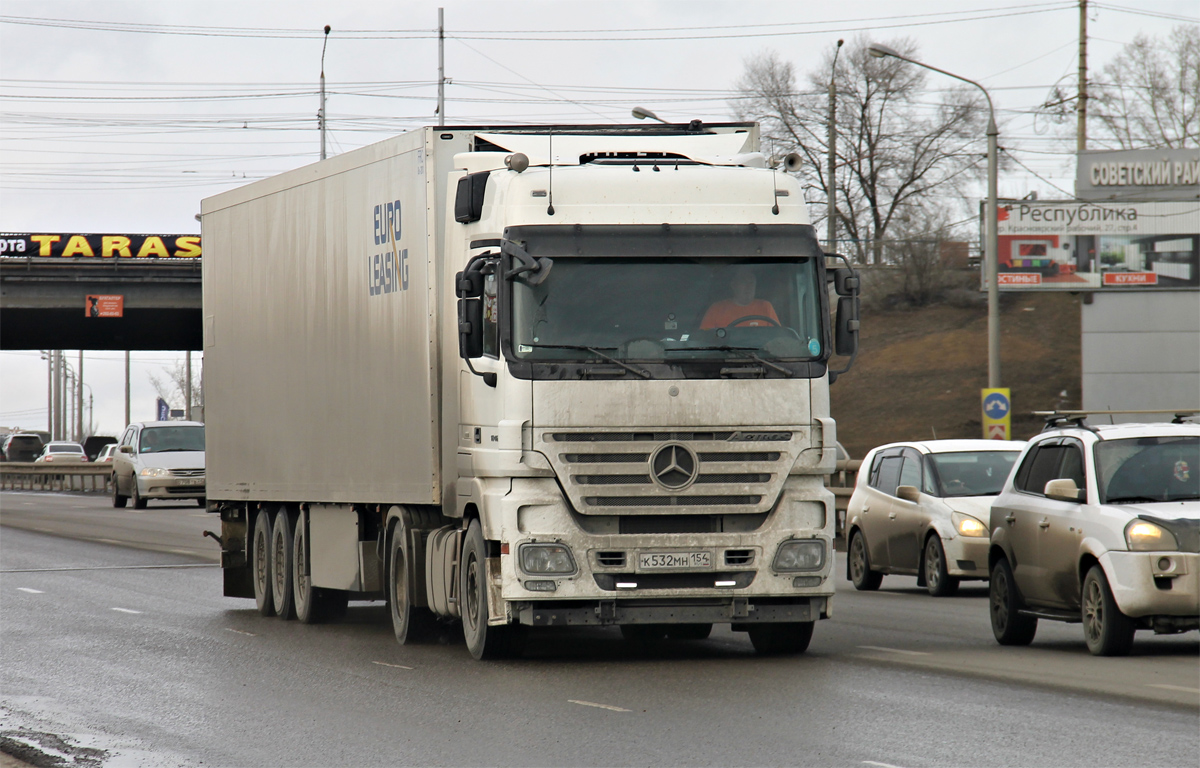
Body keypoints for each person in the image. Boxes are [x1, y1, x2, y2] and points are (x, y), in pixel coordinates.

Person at [700, 268, 779, 329]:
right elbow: (705, 337)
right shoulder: (716, 309)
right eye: (744, 282)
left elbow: (777, 337)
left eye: (751, 282)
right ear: (733, 285)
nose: (749, 287)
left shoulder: (765, 307)